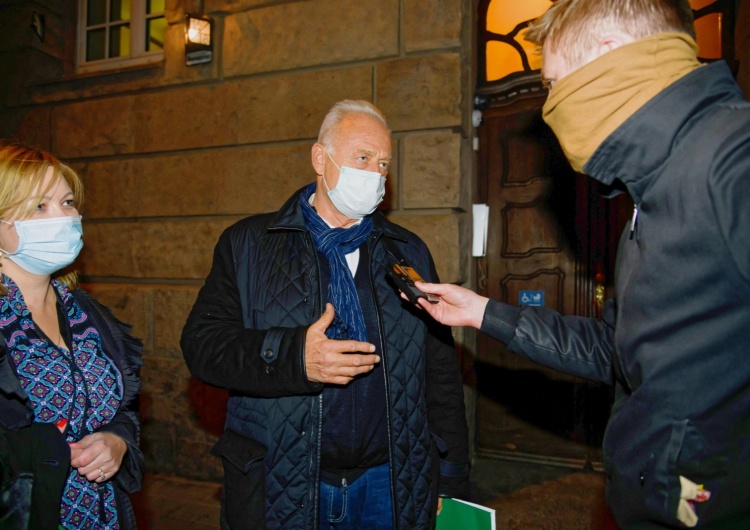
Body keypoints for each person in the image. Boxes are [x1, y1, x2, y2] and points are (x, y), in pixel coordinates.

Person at [415, 1, 750, 528]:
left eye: (552, 83)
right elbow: (615, 350)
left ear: (608, 58)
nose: (549, 106)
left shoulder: (732, 158)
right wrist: (482, 312)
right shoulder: (650, 190)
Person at [180, 99, 469, 530]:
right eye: (363, 158)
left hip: (389, 484)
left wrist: (451, 474)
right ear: (321, 158)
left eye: (384, 164)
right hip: (285, 482)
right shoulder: (249, 245)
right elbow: (203, 346)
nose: (375, 174)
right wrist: (294, 357)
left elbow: (439, 369)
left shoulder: (406, 251)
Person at [0, 143, 145, 529]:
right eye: (38, 206)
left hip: (101, 514)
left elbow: (121, 409)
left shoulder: (85, 312)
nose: (63, 217)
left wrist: (116, 442)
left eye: (67, 202)